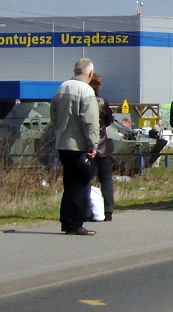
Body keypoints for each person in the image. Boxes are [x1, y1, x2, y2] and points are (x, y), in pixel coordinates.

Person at [49, 58, 100, 236]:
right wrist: (93, 144)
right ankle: (75, 224)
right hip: (79, 144)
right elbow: (90, 121)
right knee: (80, 184)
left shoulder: (61, 88)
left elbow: (53, 117)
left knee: (69, 183)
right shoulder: (86, 91)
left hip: (63, 143)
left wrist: (60, 131)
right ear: (90, 74)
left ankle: (66, 221)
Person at [88, 72, 115, 222]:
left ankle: (87, 211)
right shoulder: (102, 102)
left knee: (86, 180)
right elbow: (109, 120)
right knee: (106, 179)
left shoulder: (83, 101)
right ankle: (108, 210)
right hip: (103, 146)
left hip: (86, 147)